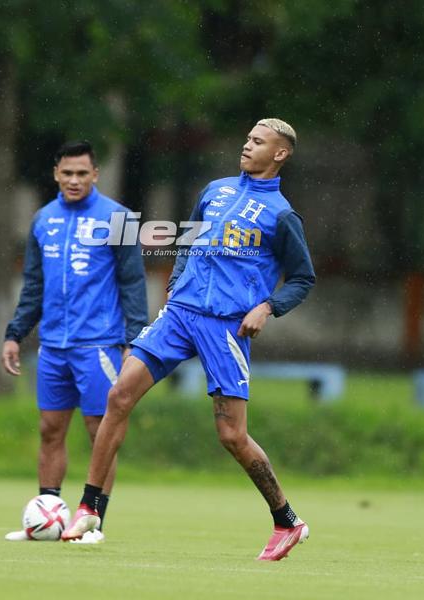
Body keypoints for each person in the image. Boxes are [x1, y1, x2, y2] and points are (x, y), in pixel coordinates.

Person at [61, 118, 316, 560]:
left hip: (226, 326)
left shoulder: (281, 215)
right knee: (119, 395)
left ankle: (287, 520)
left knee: (232, 435)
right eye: (247, 137)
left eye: (258, 141)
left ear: (280, 154)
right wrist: (176, 282)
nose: (247, 145)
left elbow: (303, 278)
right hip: (180, 314)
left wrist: (268, 307)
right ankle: (90, 508)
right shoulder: (215, 191)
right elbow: (189, 242)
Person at [1, 141, 148, 543]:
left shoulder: (117, 218)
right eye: (67, 173)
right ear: (56, 174)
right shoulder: (43, 219)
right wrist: (15, 333)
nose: (74, 180)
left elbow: (132, 282)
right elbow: (34, 285)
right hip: (53, 346)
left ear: (95, 175)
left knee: (100, 432)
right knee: (50, 429)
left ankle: (93, 522)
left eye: (82, 173)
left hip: (99, 345)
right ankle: (46, 519)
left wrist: (134, 340)